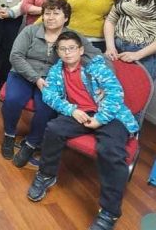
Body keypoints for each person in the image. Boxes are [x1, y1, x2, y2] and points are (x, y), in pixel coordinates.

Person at [27, 31, 138, 230]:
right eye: (63, 49)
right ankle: (46, 175)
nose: (67, 53)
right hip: (80, 113)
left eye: (71, 48)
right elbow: (49, 95)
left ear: (80, 50)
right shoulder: (56, 70)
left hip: (110, 115)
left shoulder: (97, 67)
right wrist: (72, 110)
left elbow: (115, 94)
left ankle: (109, 212)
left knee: (110, 151)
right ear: (58, 52)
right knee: (53, 129)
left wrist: (100, 119)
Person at [3, 0, 101, 167]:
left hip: (53, 80)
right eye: (47, 13)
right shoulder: (30, 31)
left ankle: (31, 144)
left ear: (66, 18)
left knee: (47, 108)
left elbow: (98, 56)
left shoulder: (73, 37)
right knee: (12, 100)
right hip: (23, 73)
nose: (50, 17)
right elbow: (15, 56)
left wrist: (105, 82)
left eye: (56, 13)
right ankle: (9, 135)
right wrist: (36, 78)